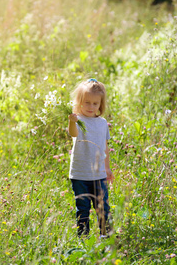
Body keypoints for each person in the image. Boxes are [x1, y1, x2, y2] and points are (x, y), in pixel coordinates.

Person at [68, 78, 114, 237]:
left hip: (99, 174)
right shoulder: (78, 121)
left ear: (100, 104)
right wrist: (71, 122)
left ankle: (106, 237)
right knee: (82, 208)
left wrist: (107, 168)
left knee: (103, 208)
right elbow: (73, 134)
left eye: (95, 103)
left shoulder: (102, 123)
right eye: (87, 102)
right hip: (80, 174)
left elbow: (105, 148)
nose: (91, 107)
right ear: (79, 102)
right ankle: (83, 239)